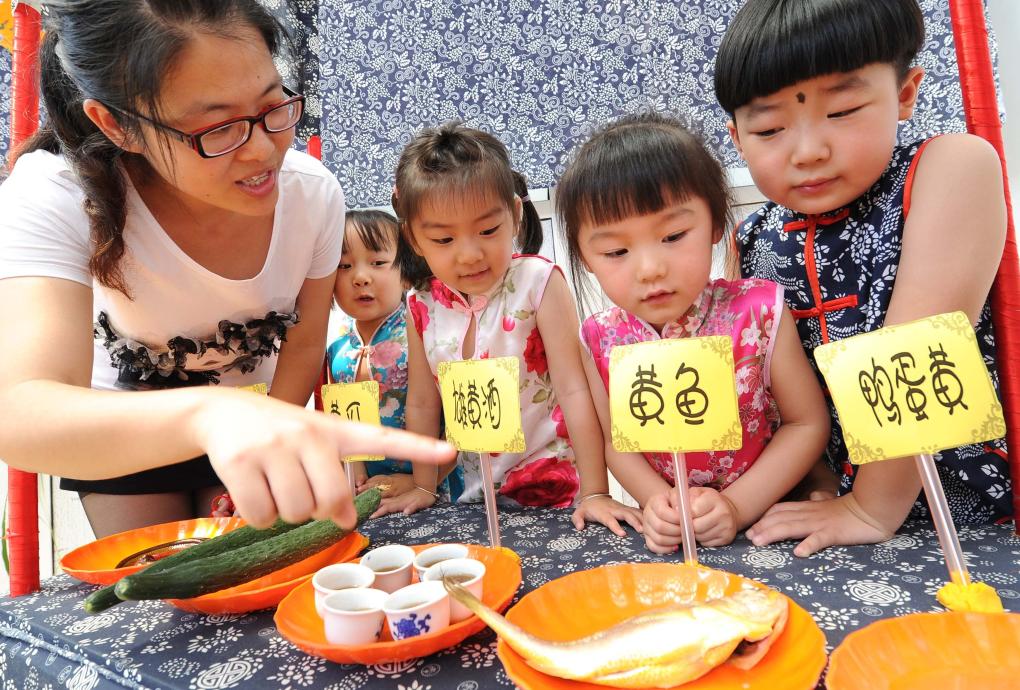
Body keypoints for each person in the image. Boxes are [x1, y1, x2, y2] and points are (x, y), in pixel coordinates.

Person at [0, 0, 454, 538]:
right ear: (117, 124)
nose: (262, 151)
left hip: (255, 415)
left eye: (273, 106)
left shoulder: (311, 195)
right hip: (124, 425)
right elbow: (20, 410)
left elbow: (305, 343)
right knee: (159, 578)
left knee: (252, 573)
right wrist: (210, 415)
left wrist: (272, 429)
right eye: (217, 129)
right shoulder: (57, 192)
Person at [717, 0, 1011, 556]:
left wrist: (869, 506)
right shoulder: (750, 237)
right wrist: (815, 483)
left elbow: (915, 350)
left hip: (963, 512)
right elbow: (774, 396)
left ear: (905, 94)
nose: (809, 151)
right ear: (737, 138)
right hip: (827, 511)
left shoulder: (950, 168)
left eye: (843, 110)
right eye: (771, 128)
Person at [556, 112, 831, 553]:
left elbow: (806, 424)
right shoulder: (599, 338)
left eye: (673, 236)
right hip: (676, 534)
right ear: (586, 257)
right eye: (616, 251)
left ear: (716, 223)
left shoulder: (759, 310)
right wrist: (659, 504)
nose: (650, 269)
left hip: (770, 523)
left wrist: (737, 506)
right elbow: (617, 444)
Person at [384, 121, 643, 536]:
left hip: (555, 496)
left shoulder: (537, 283)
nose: (470, 254)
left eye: (488, 230)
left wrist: (595, 492)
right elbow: (422, 403)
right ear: (414, 239)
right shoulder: (421, 304)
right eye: (444, 240)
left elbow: (575, 391)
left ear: (516, 214)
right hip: (471, 500)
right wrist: (423, 486)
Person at [326, 209, 464, 502]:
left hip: (435, 488)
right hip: (369, 494)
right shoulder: (336, 350)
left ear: (406, 274)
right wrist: (355, 474)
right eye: (344, 266)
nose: (360, 277)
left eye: (377, 263)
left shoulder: (429, 335)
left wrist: (421, 481)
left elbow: (461, 422)